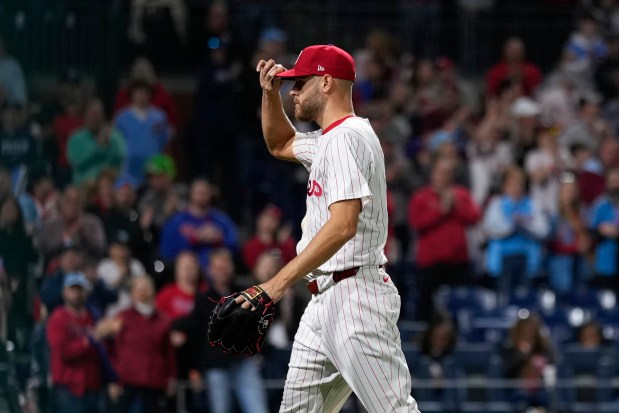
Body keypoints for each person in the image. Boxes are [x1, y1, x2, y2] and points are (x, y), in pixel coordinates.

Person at [236, 44, 420, 412]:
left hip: (355, 297)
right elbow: (280, 142)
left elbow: (343, 226)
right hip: (325, 299)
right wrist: (268, 95)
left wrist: (274, 285)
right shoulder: (330, 139)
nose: (293, 92)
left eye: (299, 83)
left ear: (325, 82)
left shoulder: (345, 139)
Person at [409, 157, 481, 321]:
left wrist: (456, 206)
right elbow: (417, 224)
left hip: (458, 261)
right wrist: (441, 210)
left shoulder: (461, 195)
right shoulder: (421, 197)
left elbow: (474, 217)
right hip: (430, 262)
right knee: (426, 305)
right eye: (441, 173)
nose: (444, 177)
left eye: (448, 173)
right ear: (433, 175)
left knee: (460, 304)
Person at [105, 277, 176, 413]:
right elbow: (111, 349)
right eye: (139, 289)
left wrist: (171, 377)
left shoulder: (163, 320)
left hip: (154, 382)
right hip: (128, 382)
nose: (143, 292)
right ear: (132, 293)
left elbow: (168, 352)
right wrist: (113, 378)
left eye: (147, 288)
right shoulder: (123, 317)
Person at [46, 273, 112, 413]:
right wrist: (90, 340)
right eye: (72, 289)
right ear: (64, 292)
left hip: (93, 386)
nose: (76, 294)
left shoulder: (93, 316)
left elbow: (104, 352)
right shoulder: (59, 317)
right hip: (68, 388)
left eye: (80, 289)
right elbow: (64, 352)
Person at [159, 178, 237, 268]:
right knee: (186, 259)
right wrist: (194, 239)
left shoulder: (221, 220)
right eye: (199, 192)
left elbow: (234, 244)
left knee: (222, 257)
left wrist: (218, 239)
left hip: (213, 268)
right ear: (191, 193)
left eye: (205, 193)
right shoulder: (177, 221)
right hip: (184, 268)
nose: (202, 196)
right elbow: (166, 250)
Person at [114, 80, 170, 183]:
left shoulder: (160, 116)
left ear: (149, 95)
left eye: (144, 93)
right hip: (129, 165)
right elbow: (117, 143)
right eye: (137, 93)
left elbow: (163, 140)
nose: (141, 96)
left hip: (153, 166)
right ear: (132, 95)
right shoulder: (121, 117)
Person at [66, 99, 126, 186]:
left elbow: (121, 157)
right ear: (84, 116)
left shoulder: (114, 136)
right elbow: (77, 162)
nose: (94, 119)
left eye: (97, 115)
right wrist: (98, 147)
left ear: (103, 117)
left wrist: (109, 145)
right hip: (84, 186)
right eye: (91, 115)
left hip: (109, 186)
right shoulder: (75, 138)